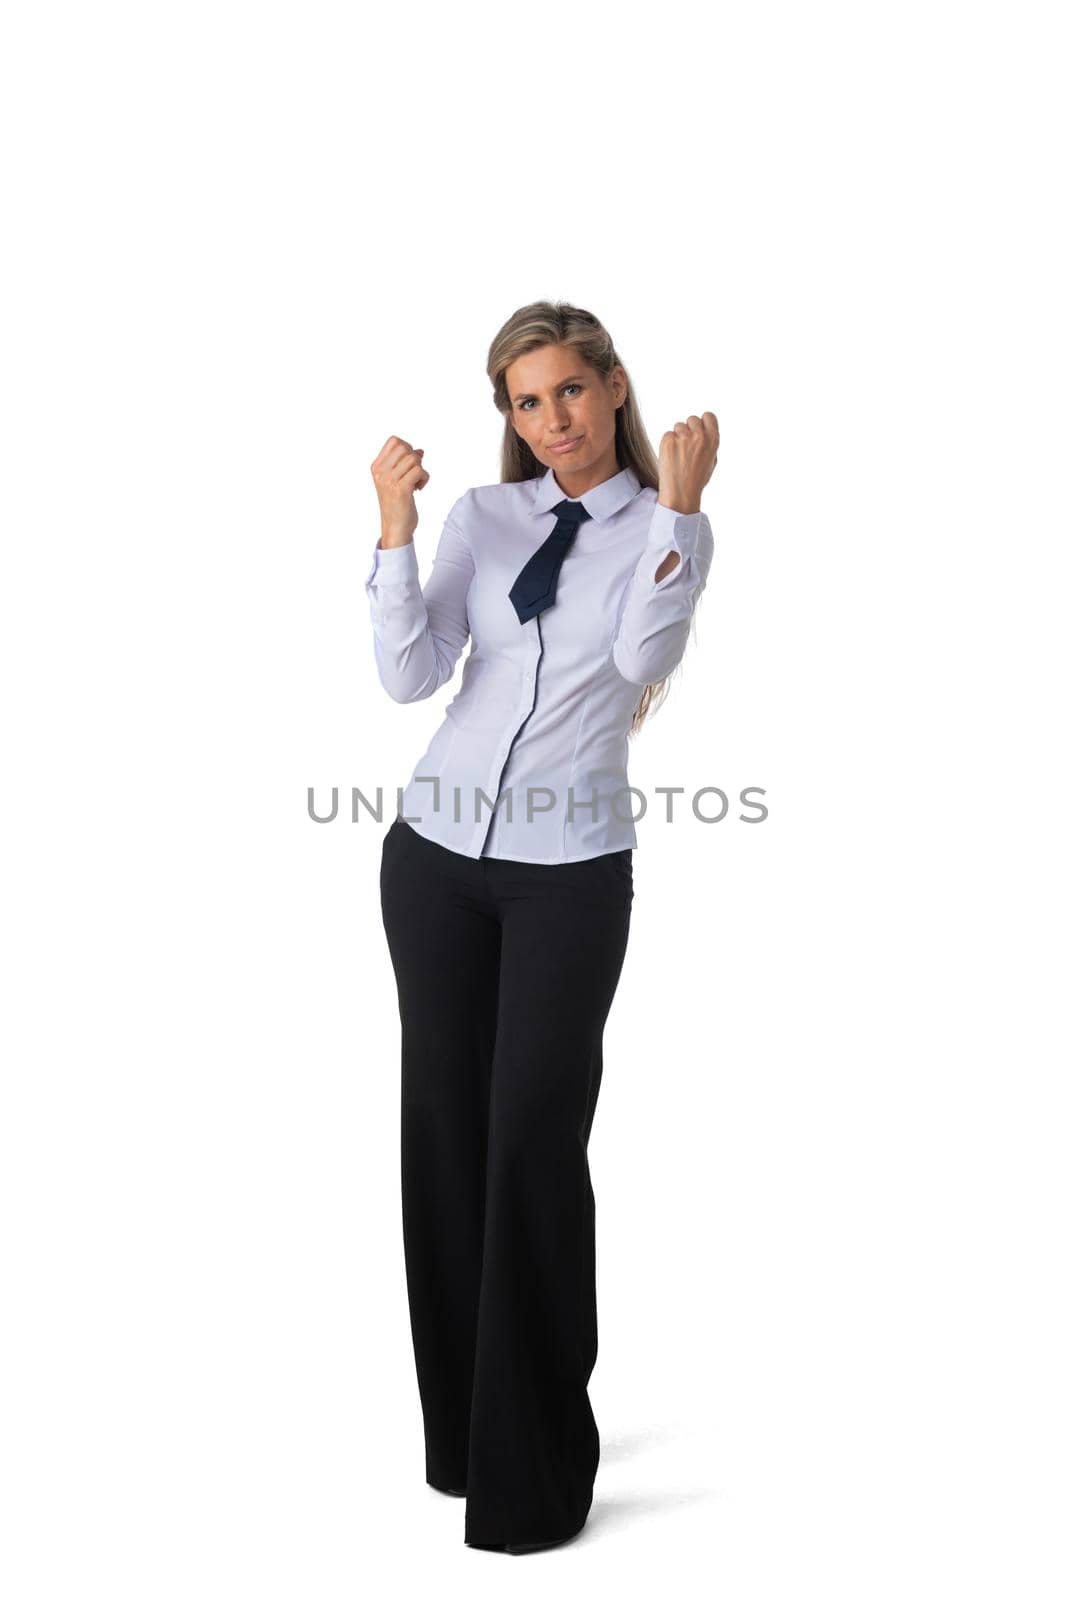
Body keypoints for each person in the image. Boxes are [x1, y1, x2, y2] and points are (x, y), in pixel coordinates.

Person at [365, 300, 718, 1554]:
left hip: (568, 875)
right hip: (435, 863)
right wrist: (396, 534)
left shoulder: (662, 527)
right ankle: (462, 1439)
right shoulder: (482, 516)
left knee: (530, 1148)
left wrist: (674, 513)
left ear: (612, 387)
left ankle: (537, 1468)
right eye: (525, 401)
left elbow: (636, 660)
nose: (551, 421)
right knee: (447, 1140)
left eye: (569, 391)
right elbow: (412, 674)